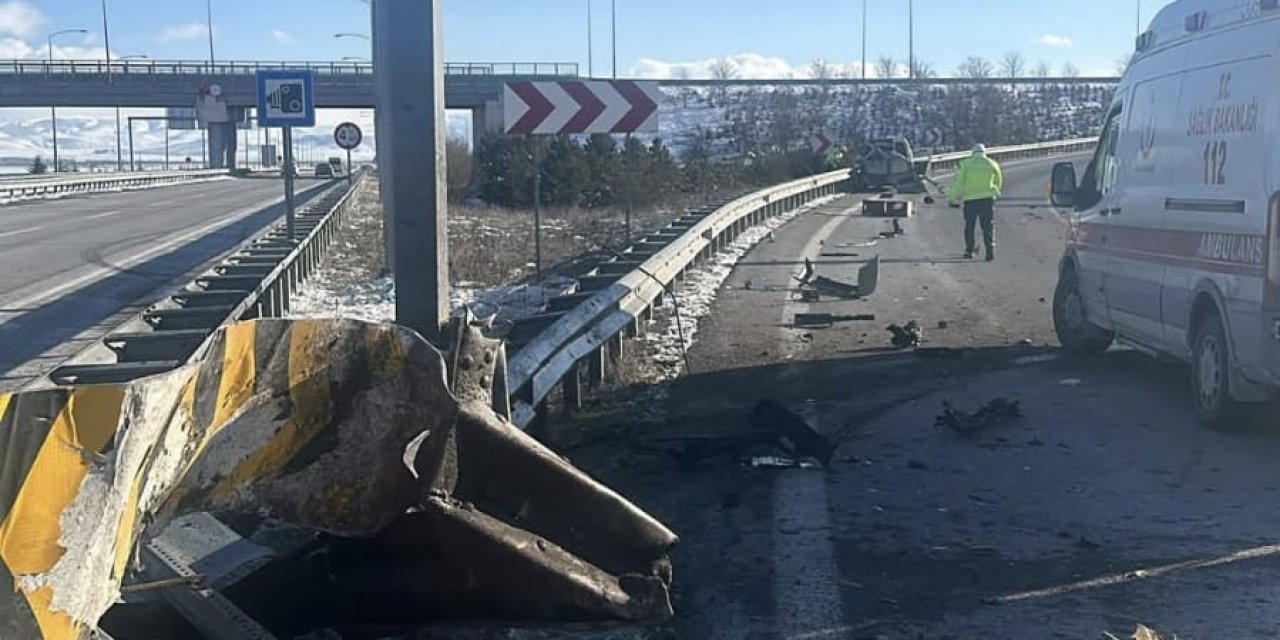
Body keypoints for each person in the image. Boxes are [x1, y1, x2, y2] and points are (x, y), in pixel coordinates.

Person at [947, 143, 1004, 261]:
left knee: (970, 226)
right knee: (988, 226)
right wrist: (995, 191)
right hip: (987, 199)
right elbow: (999, 180)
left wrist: (952, 197)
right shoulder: (992, 163)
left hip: (970, 199)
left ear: (972, 152)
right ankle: (990, 251)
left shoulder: (965, 164)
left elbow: (958, 182)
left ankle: (969, 250)